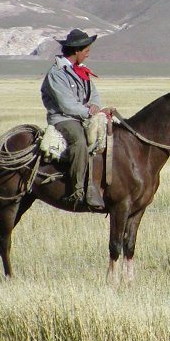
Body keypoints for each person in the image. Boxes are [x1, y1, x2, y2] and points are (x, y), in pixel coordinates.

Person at [40, 28, 106, 209]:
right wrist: (89, 112)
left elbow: (94, 97)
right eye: (86, 51)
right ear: (77, 51)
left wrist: (95, 106)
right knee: (79, 142)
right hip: (63, 119)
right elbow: (66, 105)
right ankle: (77, 190)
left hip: (83, 116)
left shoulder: (82, 72)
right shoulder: (57, 74)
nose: (87, 55)